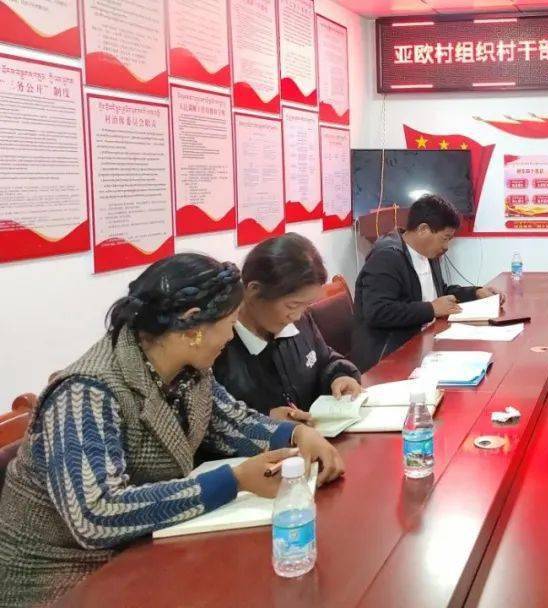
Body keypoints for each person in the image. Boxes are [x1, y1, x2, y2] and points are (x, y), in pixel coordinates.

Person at [0, 254, 344, 606]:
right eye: (229, 323)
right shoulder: (87, 390)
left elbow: (231, 422)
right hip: (62, 579)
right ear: (193, 326)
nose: (231, 335)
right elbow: (96, 514)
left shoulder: (188, 369)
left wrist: (294, 435)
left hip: (142, 550)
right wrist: (233, 481)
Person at [214, 233, 362, 423]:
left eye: (306, 305)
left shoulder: (298, 321)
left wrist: (339, 377)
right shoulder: (218, 344)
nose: (297, 316)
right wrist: (266, 420)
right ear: (253, 290)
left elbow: (325, 359)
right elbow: (210, 422)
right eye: (292, 305)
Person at [352, 194, 499, 372]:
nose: (446, 247)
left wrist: (476, 293)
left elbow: (440, 292)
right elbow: (378, 311)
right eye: (445, 238)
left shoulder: (427, 253)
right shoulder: (387, 257)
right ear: (423, 230)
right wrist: (431, 309)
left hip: (425, 344)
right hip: (389, 357)